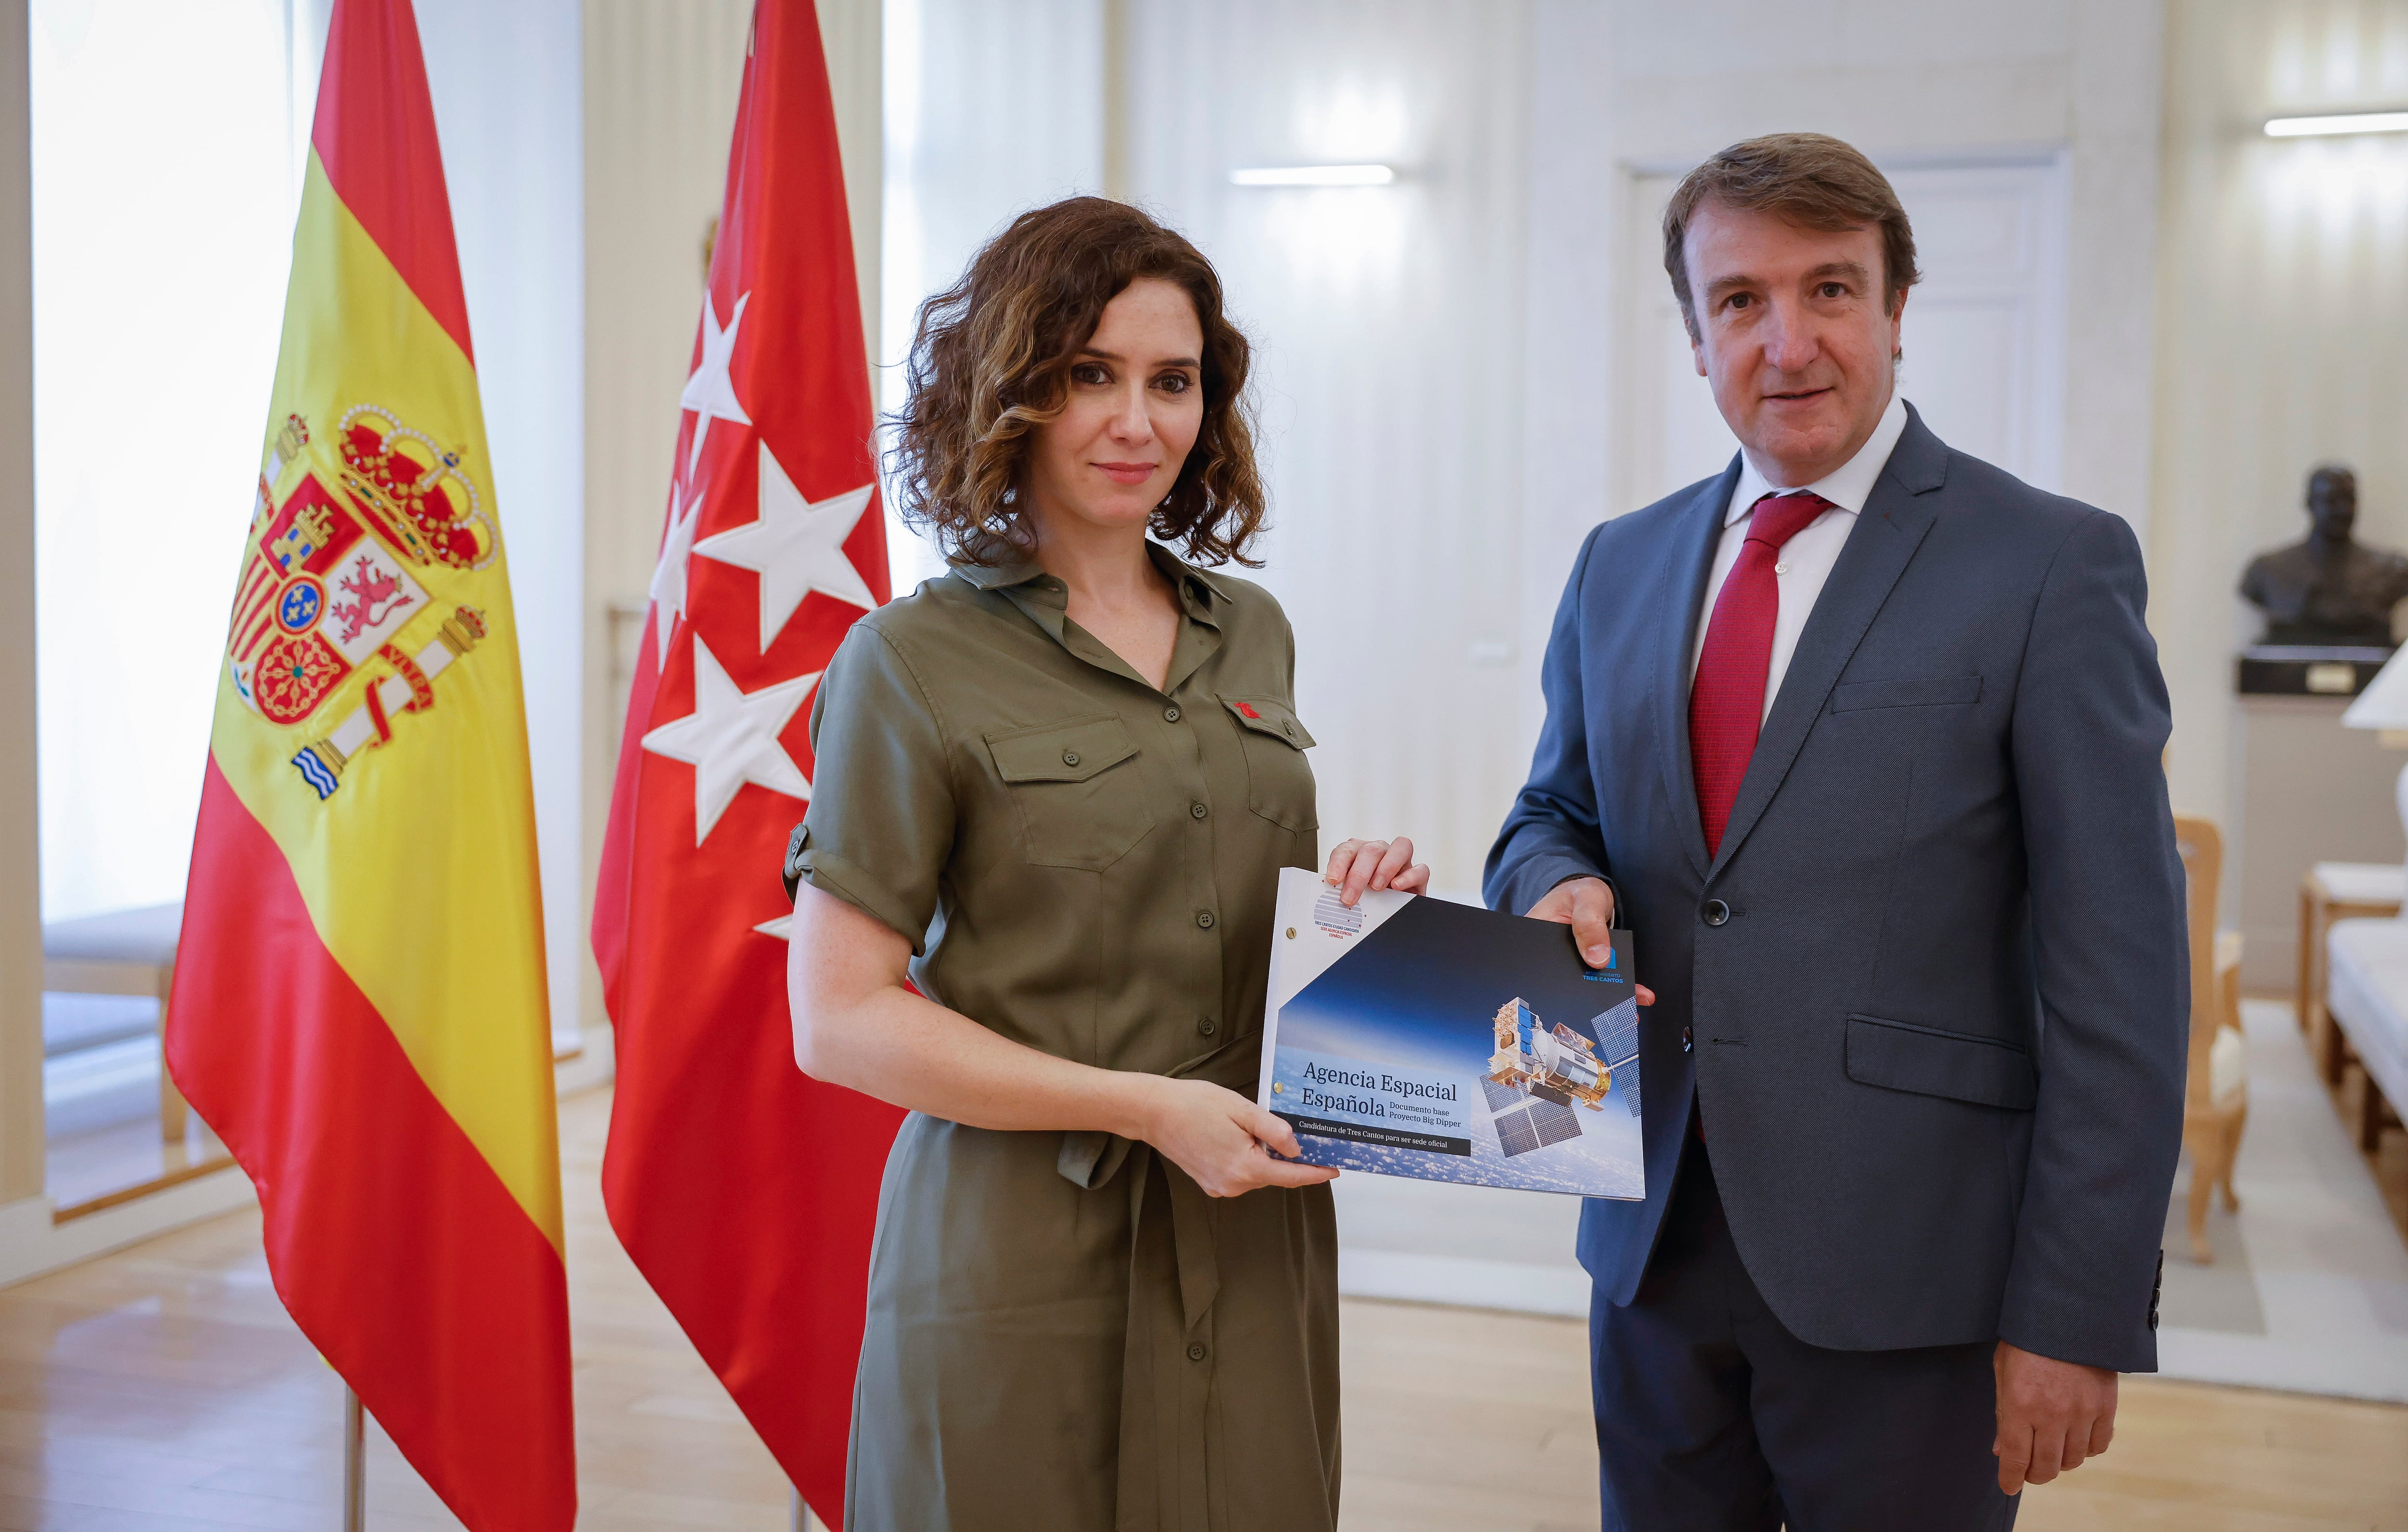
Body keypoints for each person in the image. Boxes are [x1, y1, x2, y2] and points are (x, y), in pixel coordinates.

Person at [1485, 133, 2186, 1529]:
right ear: (1695, 336)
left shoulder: (2052, 563)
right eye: (1740, 300)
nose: (1788, 340)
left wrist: (2078, 1309)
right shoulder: (1620, 564)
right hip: (1650, 1251)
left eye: (1832, 291)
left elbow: (2124, 977)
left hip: (1914, 1279)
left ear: (1896, 310)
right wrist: (1558, 880)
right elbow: (1548, 811)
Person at [782, 196, 1426, 1532]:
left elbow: (1223, 911)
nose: (1140, 422)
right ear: (1008, 392)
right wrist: (1144, 1106)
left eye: (1173, 381)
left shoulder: (1251, 630)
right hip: (1018, 1253)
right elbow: (836, 1021)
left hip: (1248, 1225)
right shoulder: (906, 663)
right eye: (1091, 376)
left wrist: (1356, 931)